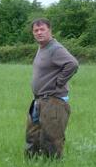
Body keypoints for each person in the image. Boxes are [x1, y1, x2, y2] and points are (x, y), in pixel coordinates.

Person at [25, 18, 79, 159]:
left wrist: (59, 83)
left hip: (53, 100)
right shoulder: (42, 48)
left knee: (52, 138)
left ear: (50, 30)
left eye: (42, 29)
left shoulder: (55, 48)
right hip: (39, 100)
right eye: (36, 30)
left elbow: (72, 64)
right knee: (33, 135)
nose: (39, 32)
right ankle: (32, 164)